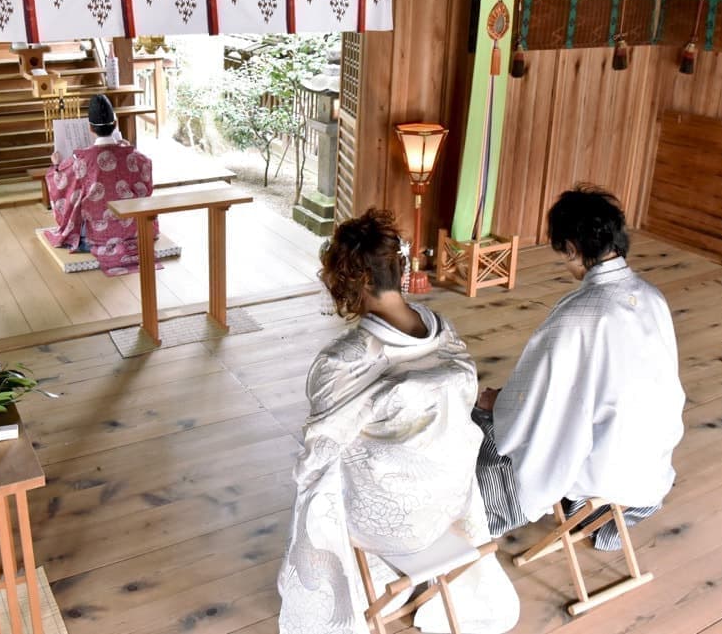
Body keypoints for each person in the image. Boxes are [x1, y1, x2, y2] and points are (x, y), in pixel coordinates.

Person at [278, 209, 519, 634]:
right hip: (449, 506)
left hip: (392, 522)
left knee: (316, 481)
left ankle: (336, 600)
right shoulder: (447, 336)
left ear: (356, 280)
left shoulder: (340, 361)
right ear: (398, 269)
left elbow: (319, 454)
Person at [473, 185, 686, 550]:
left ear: (572, 248)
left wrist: (500, 404)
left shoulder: (578, 315)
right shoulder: (653, 296)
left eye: (563, 252)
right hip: (650, 466)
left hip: (605, 468)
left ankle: (478, 512)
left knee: (484, 426)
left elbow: (537, 400)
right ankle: (600, 518)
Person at [43, 94, 156, 275]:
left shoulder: (81, 160)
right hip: (132, 228)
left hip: (96, 232)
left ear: (90, 128)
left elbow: (61, 184)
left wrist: (56, 165)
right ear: (116, 124)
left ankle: (97, 238)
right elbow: (146, 182)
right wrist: (130, 149)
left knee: (78, 203)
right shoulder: (132, 155)